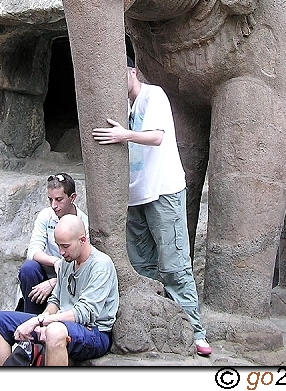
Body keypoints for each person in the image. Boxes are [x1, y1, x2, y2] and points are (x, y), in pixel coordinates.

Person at [92, 57, 213, 356]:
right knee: (142, 268)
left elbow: (157, 137)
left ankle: (195, 331)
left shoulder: (153, 95)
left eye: (121, 73)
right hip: (135, 198)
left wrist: (125, 134)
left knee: (175, 266)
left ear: (133, 70)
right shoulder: (126, 108)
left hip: (164, 191)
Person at [0, 214, 119, 366]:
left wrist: (40, 321)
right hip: (61, 323)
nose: (61, 252)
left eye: (65, 246)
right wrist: (43, 320)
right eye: (58, 245)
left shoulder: (101, 265)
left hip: (94, 332)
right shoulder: (66, 262)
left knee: (55, 331)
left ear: (82, 240)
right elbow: (55, 300)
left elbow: (84, 313)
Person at [18, 173, 89, 314]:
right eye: (50, 200)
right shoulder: (46, 216)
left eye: (59, 200)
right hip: (48, 272)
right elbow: (33, 251)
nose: (54, 206)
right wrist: (55, 262)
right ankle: (31, 320)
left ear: (73, 198)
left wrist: (56, 282)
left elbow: (84, 265)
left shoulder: (84, 223)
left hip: (72, 279)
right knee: (28, 269)